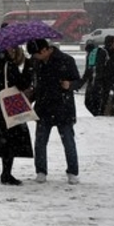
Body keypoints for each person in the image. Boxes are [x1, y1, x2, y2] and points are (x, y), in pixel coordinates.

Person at [25, 39, 81, 183]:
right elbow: (35, 83)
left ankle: (73, 172)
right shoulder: (36, 63)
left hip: (63, 107)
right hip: (43, 107)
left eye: (36, 54)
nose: (34, 58)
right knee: (40, 142)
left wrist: (70, 85)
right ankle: (41, 171)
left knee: (68, 141)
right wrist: (31, 95)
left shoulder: (66, 60)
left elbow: (78, 82)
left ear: (44, 50)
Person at [0, 46, 33, 186]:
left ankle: (6, 172)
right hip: (10, 104)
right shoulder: (9, 65)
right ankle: (6, 173)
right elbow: (22, 84)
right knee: (12, 138)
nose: (13, 50)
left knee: (3, 140)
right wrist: (28, 66)